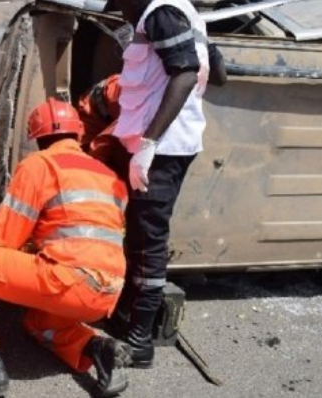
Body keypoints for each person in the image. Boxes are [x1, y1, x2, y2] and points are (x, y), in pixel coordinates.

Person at [0, 98, 130, 398]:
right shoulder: (109, 176)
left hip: (67, 279)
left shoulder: (41, 164)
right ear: (78, 134)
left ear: (38, 138)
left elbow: (2, 240)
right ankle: (96, 347)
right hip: (108, 292)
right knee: (39, 322)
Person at [108, 0, 211, 369]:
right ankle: (127, 318)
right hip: (169, 145)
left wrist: (149, 144)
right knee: (139, 234)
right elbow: (219, 72)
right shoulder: (187, 14)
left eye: (120, 4)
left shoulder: (162, 13)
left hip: (162, 149)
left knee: (148, 241)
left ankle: (140, 341)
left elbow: (184, 73)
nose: (121, 13)